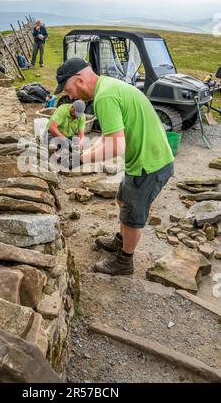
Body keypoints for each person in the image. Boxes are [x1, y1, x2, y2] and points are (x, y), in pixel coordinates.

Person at [54, 57, 174, 276]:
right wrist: (82, 154)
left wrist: (79, 161)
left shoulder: (105, 97)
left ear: (79, 80)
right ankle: (121, 241)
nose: (69, 97)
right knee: (123, 199)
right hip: (145, 158)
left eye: (68, 90)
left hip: (149, 164)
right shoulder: (106, 86)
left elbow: (116, 147)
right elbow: (107, 137)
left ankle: (124, 262)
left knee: (132, 215)